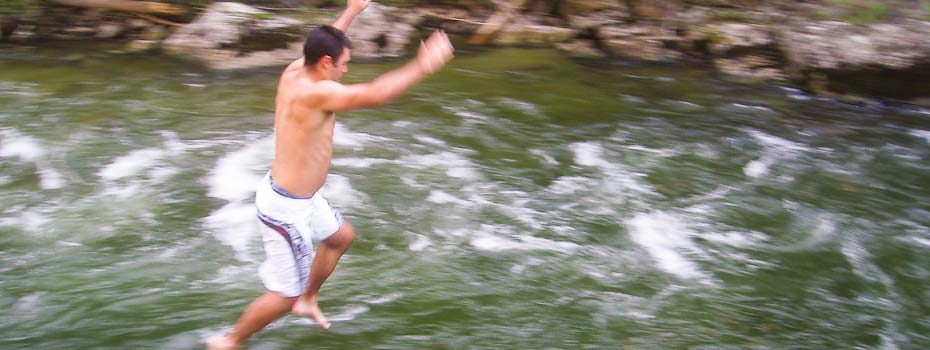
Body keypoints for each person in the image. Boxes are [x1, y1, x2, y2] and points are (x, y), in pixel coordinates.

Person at [207, 0, 454, 348]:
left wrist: (352, 11)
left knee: (340, 237)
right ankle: (231, 340)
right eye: (344, 65)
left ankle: (308, 300)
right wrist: (422, 65)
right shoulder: (317, 93)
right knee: (283, 295)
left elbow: (326, 43)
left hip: (301, 196)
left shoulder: (296, 70)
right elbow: (376, 94)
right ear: (326, 64)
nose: (345, 71)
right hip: (285, 209)